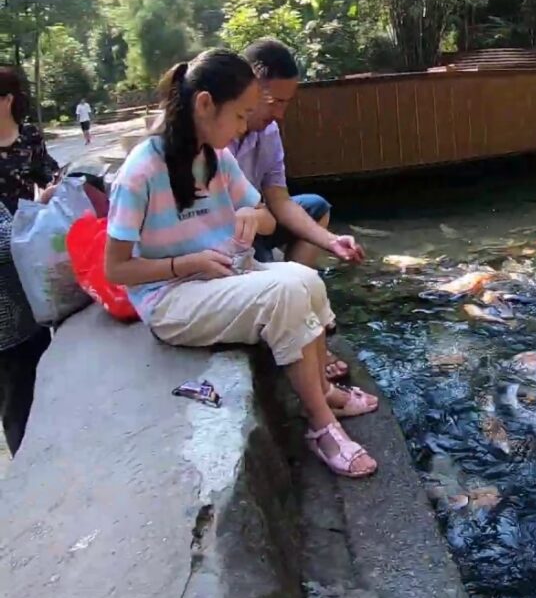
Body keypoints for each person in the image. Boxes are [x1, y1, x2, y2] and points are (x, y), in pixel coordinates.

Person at [104, 49, 379, 478]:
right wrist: (184, 263)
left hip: (222, 276)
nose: (242, 127)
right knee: (285, 291)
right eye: (239, 115)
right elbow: (116, 270)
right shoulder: (140, 172)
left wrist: (255, 216)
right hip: (171, 297)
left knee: (306, 278)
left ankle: (322, 390)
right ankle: (321, 425)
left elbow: (268, 214)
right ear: (205, 104)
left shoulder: (217, 156)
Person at [230, 39, 363, 382]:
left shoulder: (269, 132)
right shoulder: (219, 134)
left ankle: (301, 298)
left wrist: (331, 242)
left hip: (260, 217)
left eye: (287, 103)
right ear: (248, 88)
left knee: (316, 206)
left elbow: (280, 199)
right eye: (274, 101)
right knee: (269, 274)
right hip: (229, 233)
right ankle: (301, 328)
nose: (279, 114)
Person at [0, 66, 58, 455]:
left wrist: (54, 190)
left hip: (28, 266)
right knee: (12, 382)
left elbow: (50, 173)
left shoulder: (29, 139)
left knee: (33, 366)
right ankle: (25, 460)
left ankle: (42, 451)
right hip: (2, 267)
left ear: (6, 100)